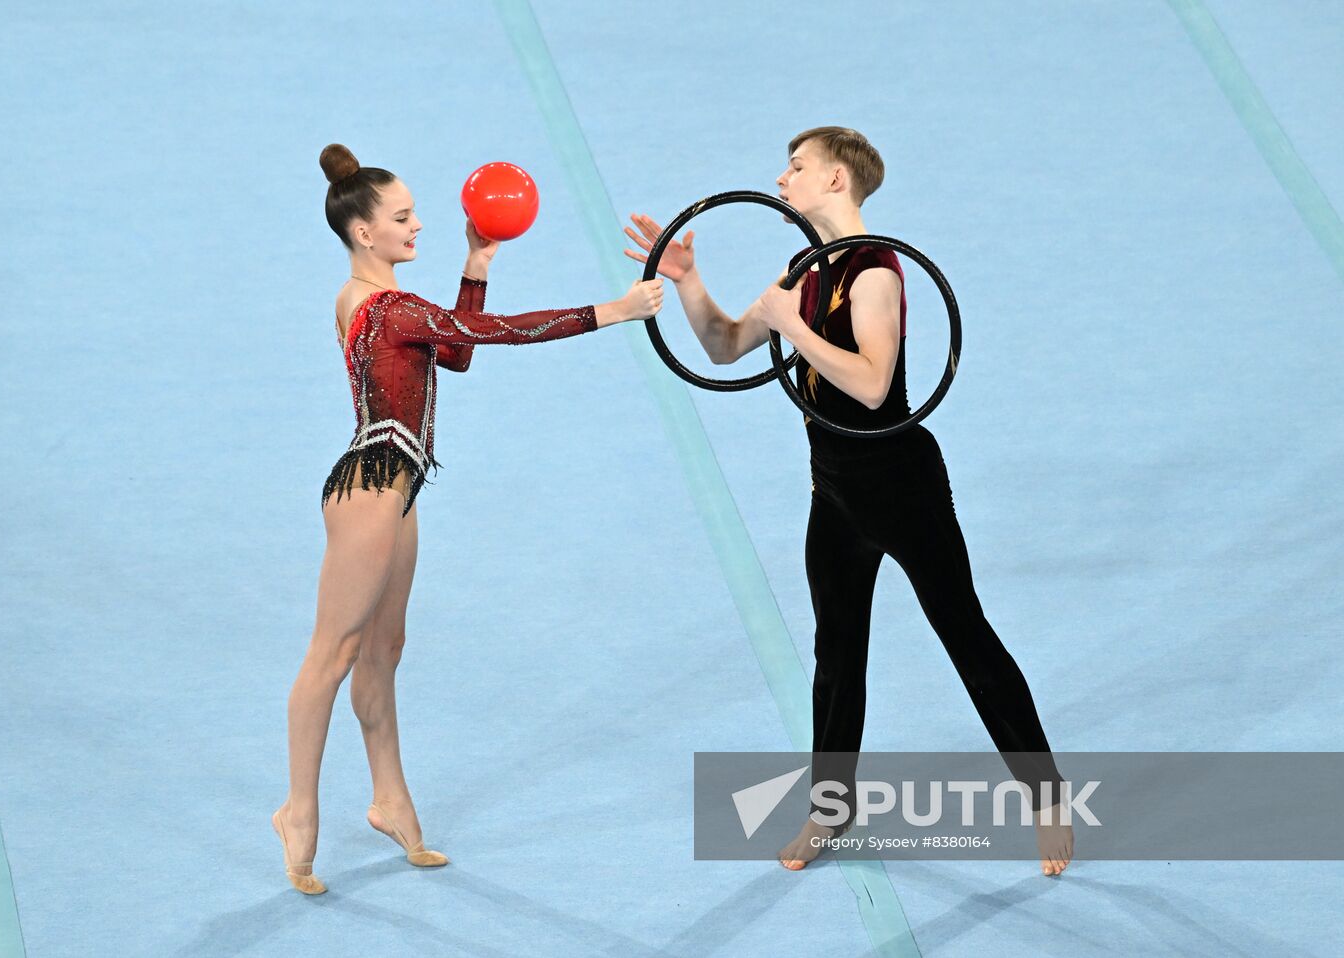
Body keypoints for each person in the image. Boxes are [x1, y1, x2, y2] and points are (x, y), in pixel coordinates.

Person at [623, 126, 1072, 877]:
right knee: (836, 655)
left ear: (836, 181)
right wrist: (687, 281)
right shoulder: (808, 269)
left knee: (967, 639)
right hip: (833, 493)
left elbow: (870, 385)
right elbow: (727, 347)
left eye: (795, 167)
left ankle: (1047, 798)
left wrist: (793, 324)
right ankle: (832, 809)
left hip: (902, 490)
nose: (781, 177)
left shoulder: (875, 274)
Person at [272, 143, 665, 894]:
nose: (420, 225)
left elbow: (453, 353)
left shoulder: (379, 303)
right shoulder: (388, 307)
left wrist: (477, 261)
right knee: (333, 654)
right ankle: (297, 808)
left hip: (397, 488)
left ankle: (389, 800)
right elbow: (495, 335)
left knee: (384, 648)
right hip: (370, 487)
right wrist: (612, 311)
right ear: (364, 234)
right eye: (403, 217)